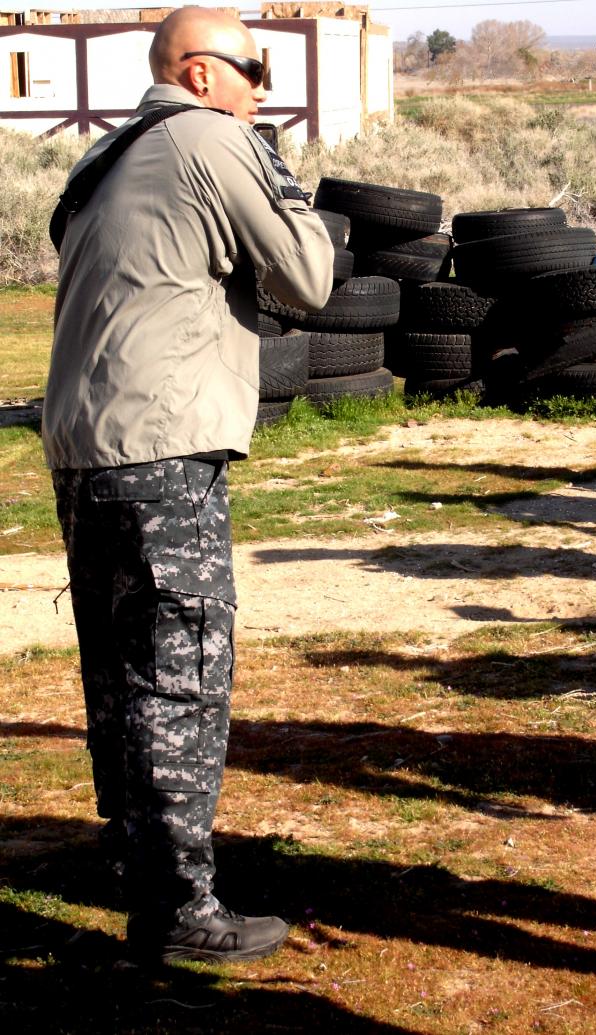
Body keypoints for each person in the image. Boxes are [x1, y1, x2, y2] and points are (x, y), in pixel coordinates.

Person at [42, 6, 333, 964]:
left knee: (121, 673)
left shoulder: (107, 156)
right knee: (182, 673)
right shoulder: (210, 136)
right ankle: (180, 910)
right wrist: (282, 177)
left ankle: (138, 868)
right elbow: (309, 276)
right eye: (255, 69)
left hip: (84, 450)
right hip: (162, 450)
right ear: (201, 73)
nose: (263, 89)